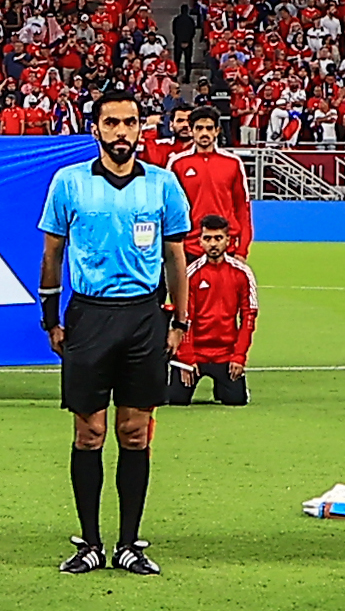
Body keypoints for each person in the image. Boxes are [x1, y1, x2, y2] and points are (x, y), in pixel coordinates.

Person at [37, 85, 191, 574]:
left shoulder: (163, 184)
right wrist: (51, 317)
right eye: (111, 123)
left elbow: (174, 257)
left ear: (141, 127)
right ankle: (89, 543)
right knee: (89, 432)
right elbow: (52, 254)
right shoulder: (69, 183)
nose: (120, 131)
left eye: (129, 122)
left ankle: (129, 543)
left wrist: (179, 320)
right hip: (88, 315)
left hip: (144, 317)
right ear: (96, 128)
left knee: (134, 432)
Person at [172, 229, 255, 406]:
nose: (213, 244)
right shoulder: (191, 274)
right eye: (207, 238)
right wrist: (186, 358)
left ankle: (228, 385)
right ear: (200, 242)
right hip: (195, 354)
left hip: (226, 355)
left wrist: (239, 356)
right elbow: (184, 318)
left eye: (218, 238)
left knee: (235, 401)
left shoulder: (242, 273)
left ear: (228, 241)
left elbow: (248, 318)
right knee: (176, 400)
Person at [167, 101, 254, 260]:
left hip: (226, 246)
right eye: (199, 128)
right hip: (190, 247)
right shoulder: (177, 164)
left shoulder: (233, 163)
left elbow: (242, 208)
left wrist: (242, 250)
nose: (204, 133)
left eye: (209, 128)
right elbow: (170, 210)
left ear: (217, 131)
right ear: (192, 131)